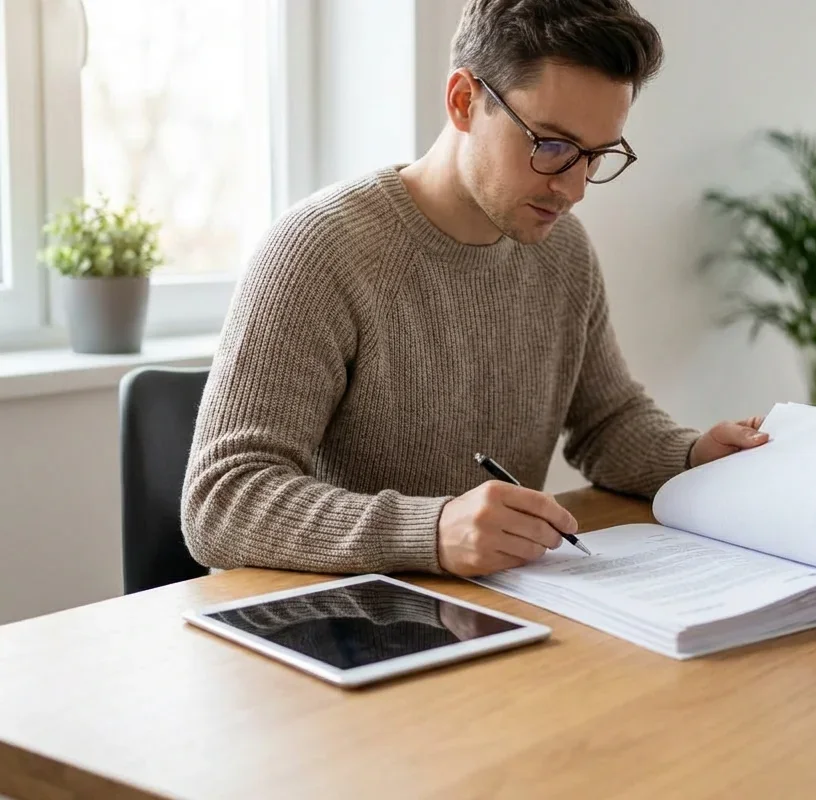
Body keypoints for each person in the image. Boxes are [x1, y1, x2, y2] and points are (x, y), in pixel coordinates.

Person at [181, 0, 768, 580]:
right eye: (553, 146)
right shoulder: (319, 251)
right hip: (343, 623)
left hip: (495, 609)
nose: (574, 189)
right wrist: (430, 531)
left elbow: (607, 422)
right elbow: (222, 499)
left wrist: (693, 458)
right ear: (464, 101)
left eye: (595, 156)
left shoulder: (562, 251)